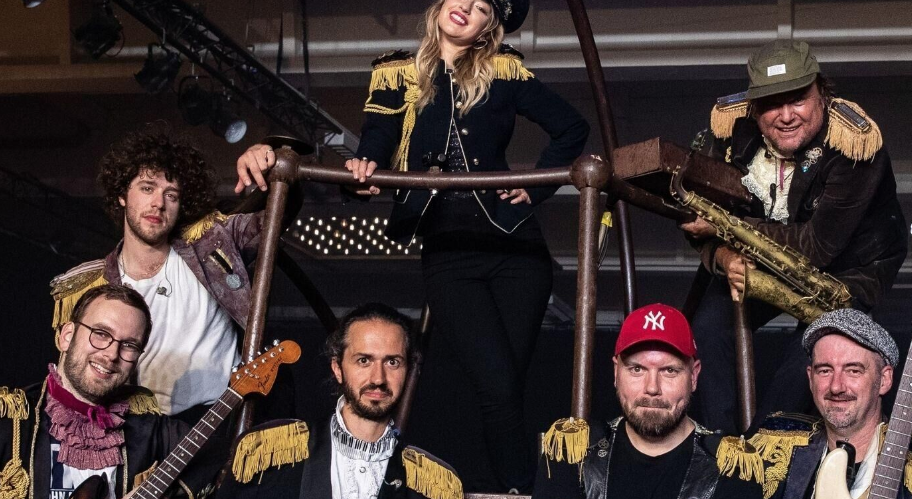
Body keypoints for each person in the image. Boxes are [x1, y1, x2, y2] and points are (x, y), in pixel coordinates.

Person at [343, 0, 589, 491]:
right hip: (449, 251)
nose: (466, 8)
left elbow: (572, 127)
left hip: (516, 248)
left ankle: (510, 488)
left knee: (506, 388)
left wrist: (537, 187)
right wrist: (364, 163)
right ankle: (523, 488)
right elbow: (379, 134)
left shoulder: (503, 71)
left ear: (486, 27)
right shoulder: (396, 72)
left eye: (480, 8)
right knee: (496, 384)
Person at [679, 39, 907, 434]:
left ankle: (766, 446)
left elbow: (817, 247)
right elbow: (699, 218)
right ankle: (723, 446)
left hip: (847, 271)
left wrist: (729, 229)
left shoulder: (854, 144)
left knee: (808, 362)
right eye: (771, 104)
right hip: (762, 256)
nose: (786, 116)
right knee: (709, 328)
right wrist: (723, 257)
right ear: (754, 107)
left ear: (822, 94)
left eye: (798, 100)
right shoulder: (731, 129)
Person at [48, 128, 297, 423]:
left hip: (224, 419)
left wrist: (272, 161)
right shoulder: (93, 285)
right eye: (147, 188)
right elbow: (74, 376)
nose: (158, 203)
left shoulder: (212, 242)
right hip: (142, 429)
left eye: (171, 195)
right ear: (122, 195)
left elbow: (281, 213)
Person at [216, 303, 463, 499]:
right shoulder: (266, 453)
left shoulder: (434, 485)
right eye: (364, 361)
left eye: (392, 362)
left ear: (407, 371)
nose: (378, 378)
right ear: (337, 368)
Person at [0, 284, 219, 499]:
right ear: (67, 336)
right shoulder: (10, 419)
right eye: (101, 334)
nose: (112, 354)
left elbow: (221, 463)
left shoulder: (151, 429)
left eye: (129, 345)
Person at [533, 304, 763, 499]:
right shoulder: (572, 455)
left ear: (693, 376)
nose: (652, 388)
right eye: (637, 369)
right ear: (616, 373)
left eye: (669, 370)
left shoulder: (732, 467)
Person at [750, 308, 912, 499]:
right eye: (825, 371)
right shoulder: (770, 453)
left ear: (884, 380)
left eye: (853, 371)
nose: (836, 387)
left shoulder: (907, 474)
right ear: (811, 379)